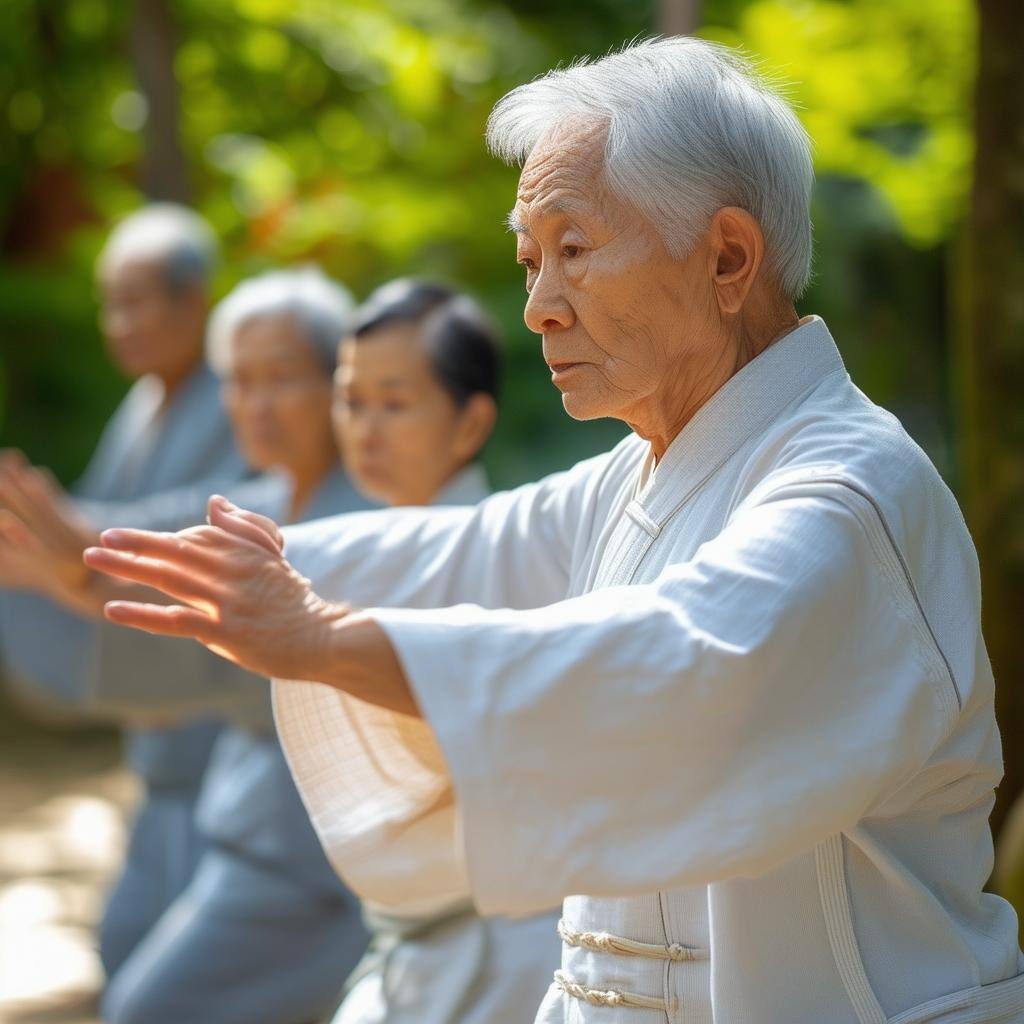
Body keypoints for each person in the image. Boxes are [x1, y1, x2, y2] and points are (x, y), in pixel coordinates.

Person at [84, 37, 1024, 1023]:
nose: (537, 307)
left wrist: (320, 635)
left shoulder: (851, 486)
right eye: (530, 261)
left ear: (729, 258)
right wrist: (158, 567)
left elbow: (677, 659)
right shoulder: (647, 465)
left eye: (573, 251)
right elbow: (460, 553)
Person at [1, 269, 374, 1023]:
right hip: (236, 818)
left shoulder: (367, 512)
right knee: (126, 956)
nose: (255, 406)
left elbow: (227, 639)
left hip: (320, 855)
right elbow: (148, 537)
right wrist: (75, 558)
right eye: (240, 382)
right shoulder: (261, 500)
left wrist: (80, 579)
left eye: (281, 380)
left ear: (340, 385)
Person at [0, 203, 260, 978]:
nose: (119, 323)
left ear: (194, 301)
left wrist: (75, 536)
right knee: (129, 947)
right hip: (162, 758)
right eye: (108, 303)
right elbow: (94, 523)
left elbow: (226, 514)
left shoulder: (239, 395)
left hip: (230, 737)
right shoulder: (146, 402)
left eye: (136, 300)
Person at [296, 277, 560, 1024]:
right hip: (406, 943)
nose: (365, 429)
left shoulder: (511, 561)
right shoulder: (358, 553)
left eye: (395, 401)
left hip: (505, 952)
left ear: (471, 423)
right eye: (351, 400)